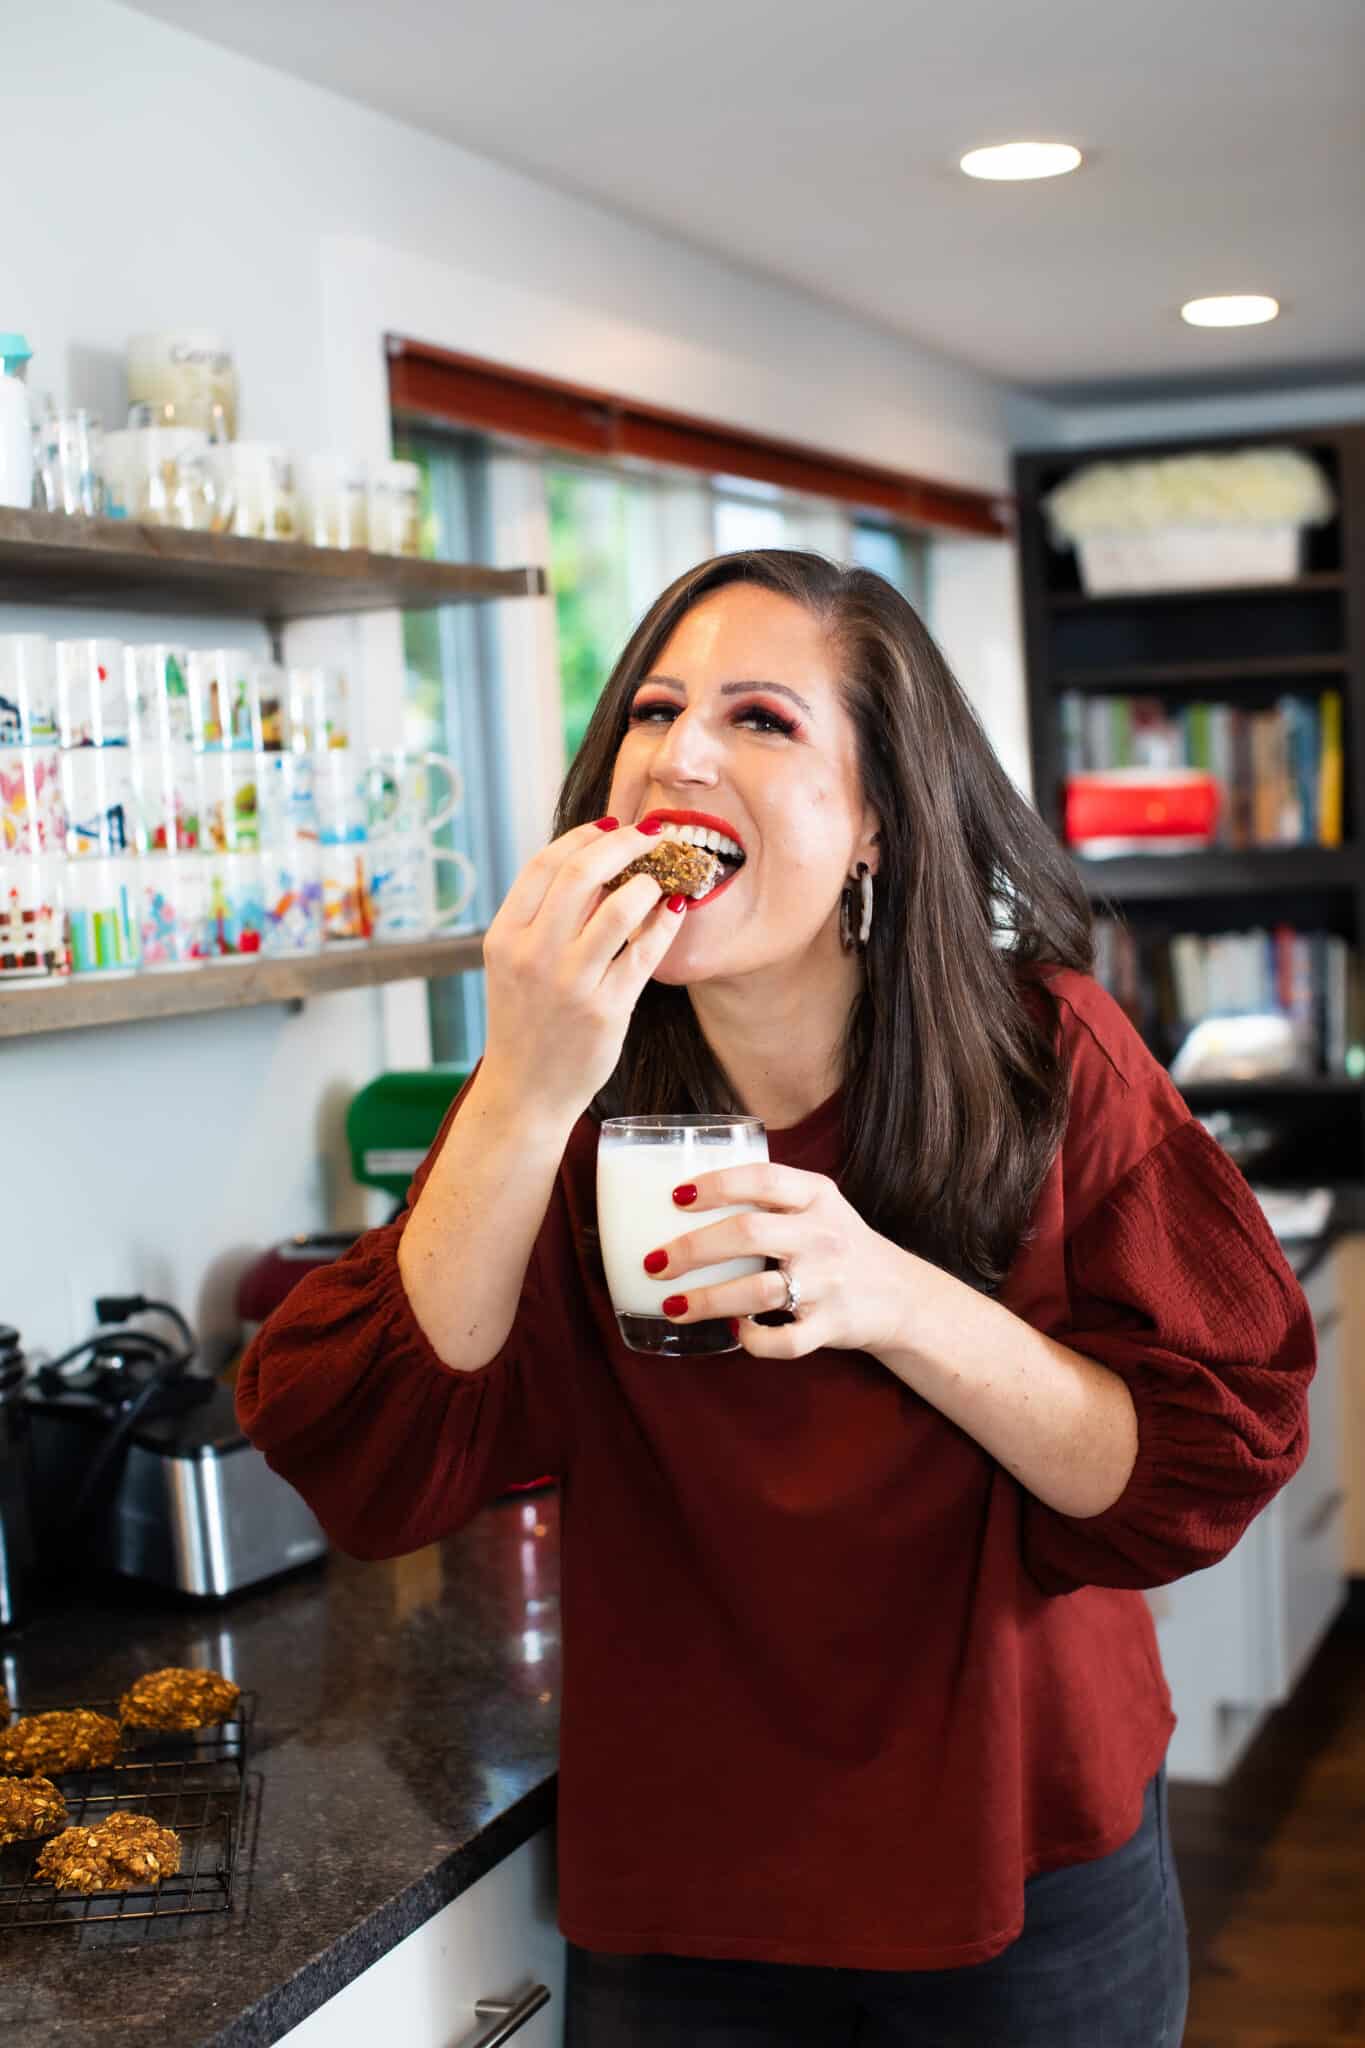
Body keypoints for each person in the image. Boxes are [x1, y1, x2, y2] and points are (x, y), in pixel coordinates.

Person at [238, 549, 1315, 2046]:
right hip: (693, 1887)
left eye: (760, 719)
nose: (680, 753)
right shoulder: (567, 1097)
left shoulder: (1042, 1056)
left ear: (874, 818)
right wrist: (525, 1080)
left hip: (1024, 1859)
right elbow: (368, 1464)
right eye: (657, 710)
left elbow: (1190, 1469)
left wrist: (890, 1295)